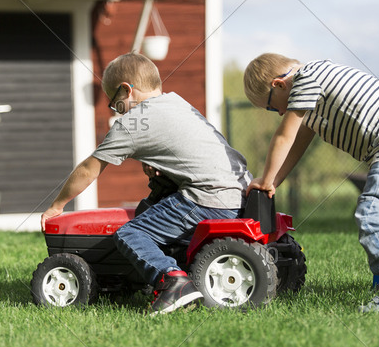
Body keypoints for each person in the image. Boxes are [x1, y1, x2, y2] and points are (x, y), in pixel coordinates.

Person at [41, 52, 253, 314]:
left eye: (116, 105)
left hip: (207, 197)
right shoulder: (178, 103)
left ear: (127, 91)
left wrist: (57, 205)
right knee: (152, 210)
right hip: (240, 192)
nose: (117, 112)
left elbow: (88, 169)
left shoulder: (133, 122)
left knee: (131, 233)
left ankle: (173, 281)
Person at [243, 53, 379, 312]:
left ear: (278, 85)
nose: (279, 113)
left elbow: (284, 138)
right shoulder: (312, 88)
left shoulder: (304, 79)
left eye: (272, 107)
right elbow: (298, 142)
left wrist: (264, 178)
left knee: (372, 213)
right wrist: (273, 180)